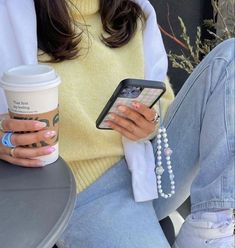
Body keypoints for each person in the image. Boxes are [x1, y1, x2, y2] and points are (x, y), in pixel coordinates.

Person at [0, 0, 234, 247]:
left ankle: (210, 229)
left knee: (229, 60)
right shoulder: (11, 12)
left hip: (151, 166)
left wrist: (151, 123)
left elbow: (162, 99)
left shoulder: (134, 10)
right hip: (86, 191)